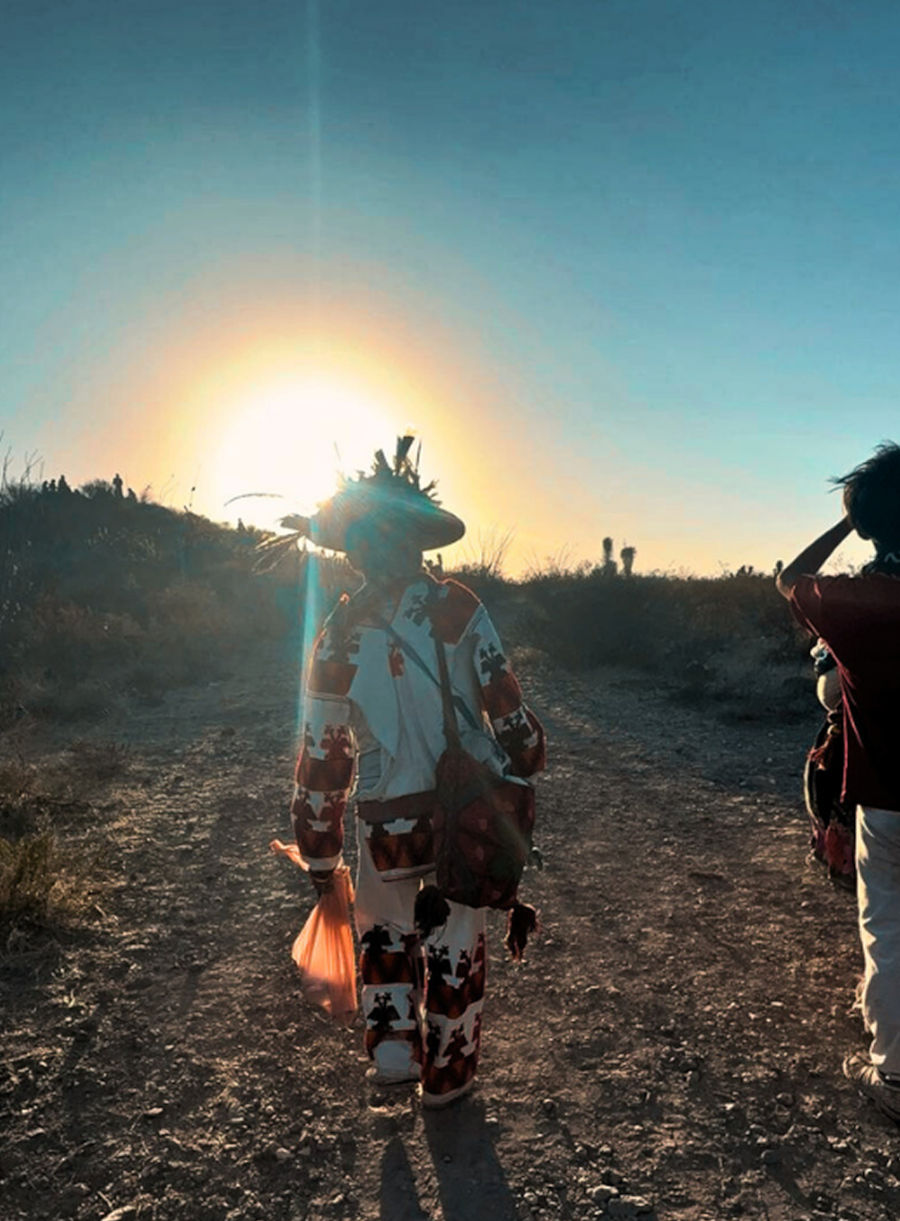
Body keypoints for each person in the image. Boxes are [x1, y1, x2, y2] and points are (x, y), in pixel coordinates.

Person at [283, 438, 546, 1107]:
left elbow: (322, 757)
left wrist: (319, 855)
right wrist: (527, 754)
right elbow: (513, 723)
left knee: (383, 929)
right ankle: (448, 1075)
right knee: (457, 936)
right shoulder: (460, 607)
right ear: (420, 542)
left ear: (354, 550)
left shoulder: (337, 634)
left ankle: (394, 1052)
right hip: (466, 814)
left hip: (384, 819)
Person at [776, 442, 900, 1120]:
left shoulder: (854, 601)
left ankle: (896, 1075)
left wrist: (847, 527)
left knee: (887, 927)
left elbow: (790, 577)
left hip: (885, 798)